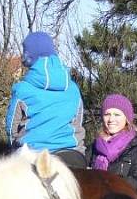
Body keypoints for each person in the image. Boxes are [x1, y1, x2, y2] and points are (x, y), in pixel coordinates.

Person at [5, 31, 86, 168]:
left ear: (28, 55)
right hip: (73, 155)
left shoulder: (22, 89)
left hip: (33, 156)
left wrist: (15, 148)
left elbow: (12, 128)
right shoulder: (73, 88)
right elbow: (77, 123)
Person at [86, 93, 137, 191]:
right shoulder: (95, 146)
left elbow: (136, 182)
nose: (111, 119)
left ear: (127, 118)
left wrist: (101, 183)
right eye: (107, 114)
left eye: (117, 115)